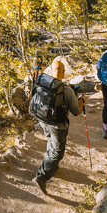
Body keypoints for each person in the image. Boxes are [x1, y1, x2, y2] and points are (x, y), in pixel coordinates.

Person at [29, 59, 83, 196]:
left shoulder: (41, 81)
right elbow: (76, 112)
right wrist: (81, 101)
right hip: (58, 125)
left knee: (51, 140)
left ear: (51, 70)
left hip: (42, 119)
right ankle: (41, 177)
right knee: (57, 152)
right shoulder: (68, 91)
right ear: (64, 72)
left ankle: (52, 166)